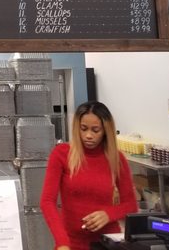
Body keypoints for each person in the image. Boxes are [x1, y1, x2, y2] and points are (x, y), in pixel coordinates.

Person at [40, 101, 137, 250]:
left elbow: (131, 205)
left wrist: (108, 214)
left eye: (96, 130)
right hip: (71, 243)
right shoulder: (61, 154)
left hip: (107, 242)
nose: (88, 135)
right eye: (83, 129)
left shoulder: (116, 159)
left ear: (105, 131)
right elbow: (47, 202)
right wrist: (62, 242)